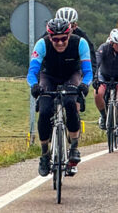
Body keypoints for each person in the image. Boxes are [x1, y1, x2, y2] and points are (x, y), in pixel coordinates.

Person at [27, 18, 92, 177]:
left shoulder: (80, 43)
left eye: (64, 38)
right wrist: (34, 85)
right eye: (56, 39)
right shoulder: (41, 44)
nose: (60, 42)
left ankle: (74, 147)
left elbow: (88, 71)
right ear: (50, 37)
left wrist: (84, 85)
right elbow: (32, 71)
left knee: (70, 103)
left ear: (69, 34)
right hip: (49, 76)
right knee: (44, 111)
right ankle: (44, 155)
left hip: (71, 75)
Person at [93, 28, 118, 136]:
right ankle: (104, 116)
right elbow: (97, 63)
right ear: (111, 43)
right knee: (98, 93)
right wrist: (95, 77)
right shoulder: (104, 48)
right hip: (104, 75)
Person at [46, 7, 97, 78]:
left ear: (75, 25)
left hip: (73, 68)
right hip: (53, 67)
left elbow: (90, 52)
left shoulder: (81, 35)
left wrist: (92, 72)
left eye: (71, 26)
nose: (67, 30)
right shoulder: (49, 34)